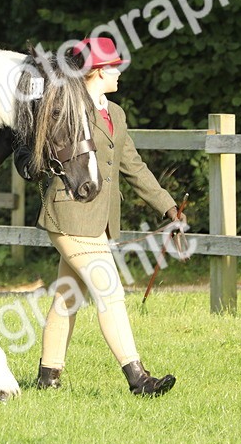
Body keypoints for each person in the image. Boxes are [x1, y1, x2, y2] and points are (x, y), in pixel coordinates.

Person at [19, 37, 184, 397]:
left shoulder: (117, 114)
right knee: (109, 291)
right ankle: (138, 379)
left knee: (68, 296)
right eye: (114, 66)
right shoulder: (68, 109)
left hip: (99, 219)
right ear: (95, 71)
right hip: (68, 213)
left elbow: (133, 166)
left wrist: (167, 206)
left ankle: (48, 378)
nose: (119, 73)